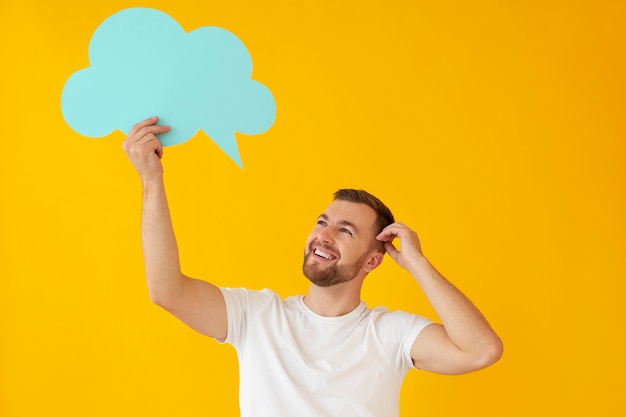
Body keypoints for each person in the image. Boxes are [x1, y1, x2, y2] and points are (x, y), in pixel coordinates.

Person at [122, 116, 503, 417]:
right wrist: (152, 180)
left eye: (345, 230)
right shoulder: (257, 316)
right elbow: (166, 291)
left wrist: (417, 264)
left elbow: (481, 350)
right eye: (322, 222)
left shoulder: (390, 334)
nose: (324, 235)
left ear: (374, 259)